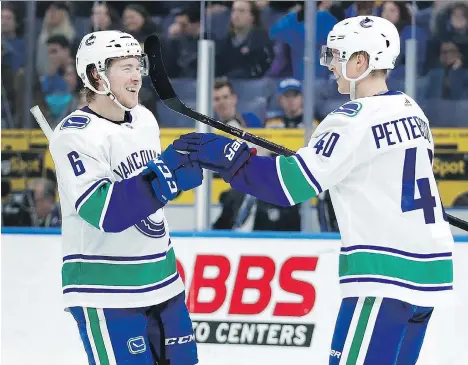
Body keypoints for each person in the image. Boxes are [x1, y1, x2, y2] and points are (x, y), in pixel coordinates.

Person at [173, 16, 454, 364]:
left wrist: (225, 156)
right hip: (430, 271)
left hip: (385, 273)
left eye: (337, 56)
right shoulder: (412, 110)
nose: (331, 66)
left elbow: (287, 186)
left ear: (360, 61)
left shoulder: (350, 119)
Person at [47, 30, 201, 365]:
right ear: (95, 75)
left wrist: (174, 172)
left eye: (138, 66)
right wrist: (168, 174)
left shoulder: (145, 119)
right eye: (126, 67)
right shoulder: (74, 135)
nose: (137, 77)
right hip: (106, 289)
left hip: (163, 279)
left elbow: (148, 198)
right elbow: (106, 212)